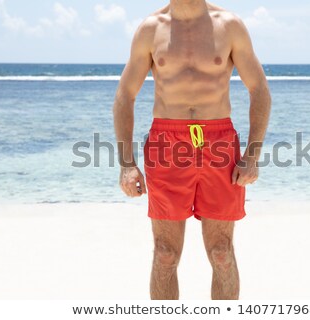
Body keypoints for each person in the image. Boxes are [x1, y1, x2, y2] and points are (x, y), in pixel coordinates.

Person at [113, 0, 271, 300]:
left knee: (221, 251)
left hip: (219, 143)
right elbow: (124, 96)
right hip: (166, 144)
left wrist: (252, 155)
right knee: (165, 253)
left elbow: (259, 89)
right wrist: (127, 163)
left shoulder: (229, 25)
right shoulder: (150, 29)